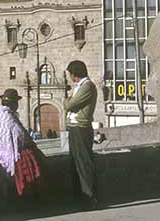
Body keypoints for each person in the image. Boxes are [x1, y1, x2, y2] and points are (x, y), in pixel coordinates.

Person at [0, 89, 43, 197]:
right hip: (10, 154)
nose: (17, 105)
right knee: (31, 158)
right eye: (16, 103)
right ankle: (30, 192)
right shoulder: (8, 117)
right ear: (13, 104)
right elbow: (20, 135)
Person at [64, 60, 98, 209]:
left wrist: (67, 100)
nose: (70, 77)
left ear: (74, 74)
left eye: (70, 74)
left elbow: (69, 105)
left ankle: (89, 197)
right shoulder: (79, 87)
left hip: (80, 128)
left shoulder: (87, 86)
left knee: (83, 163)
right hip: (74, 128)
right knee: (75, 163)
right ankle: (80, 197)